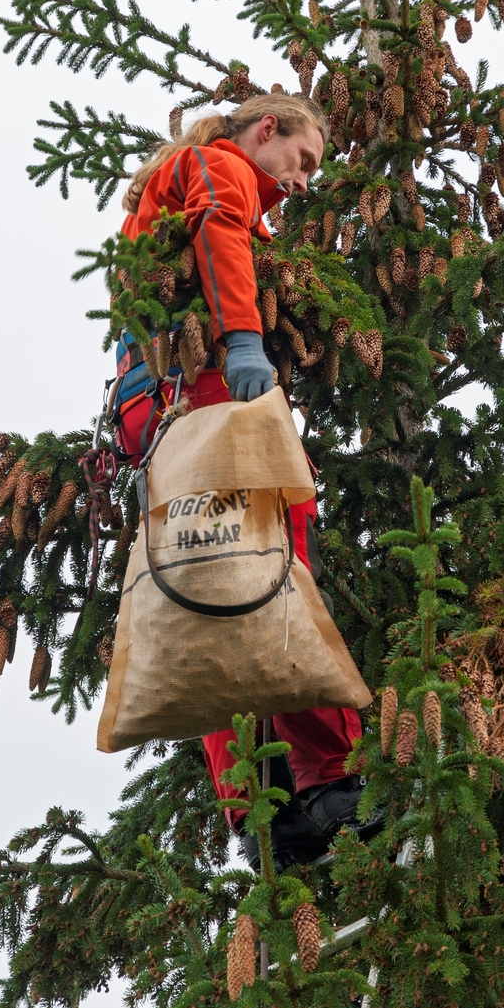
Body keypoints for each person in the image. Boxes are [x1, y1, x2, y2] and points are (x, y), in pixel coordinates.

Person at [112, 94, 379, 870]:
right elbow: (219, 236)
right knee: (276, 576)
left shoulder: (185, 182)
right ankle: (332, 782)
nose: (303, 180)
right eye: (302, 159)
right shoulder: (218, 165)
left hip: (157, 412)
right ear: (268, 129)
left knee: (210, 604)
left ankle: (263, 807)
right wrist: (243, 339)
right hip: (206, 397)